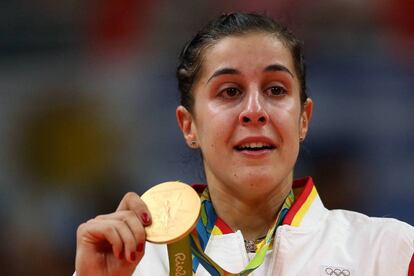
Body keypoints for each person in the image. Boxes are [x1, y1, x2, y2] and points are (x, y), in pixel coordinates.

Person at [75, 12, 414, 276]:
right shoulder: (139, 264)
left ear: (304, 119)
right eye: (230, 92)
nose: (255, 111)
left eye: (276, 90)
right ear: (188, 125)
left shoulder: (388, 252)